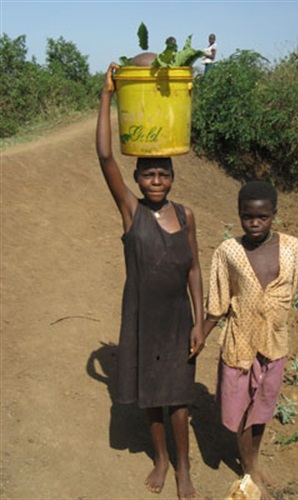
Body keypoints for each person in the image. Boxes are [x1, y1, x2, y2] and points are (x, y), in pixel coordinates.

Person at [96, 62, 205, 500]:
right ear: (138, 179)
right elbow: (106, 156)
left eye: (163, 174)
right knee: (150, 397)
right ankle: (159, 458)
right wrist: (108, 95)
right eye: (147, 175)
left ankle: (182, 468)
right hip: (141, 317)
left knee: (178, 399)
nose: (155, 180)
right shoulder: (131, 211)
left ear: (173, 178)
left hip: (178, 319)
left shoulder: (186, 216)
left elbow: (194, 268)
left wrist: (199, 321)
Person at [203, 181, 298, 499]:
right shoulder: (228, 252)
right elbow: (218, 302)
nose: (255, 223)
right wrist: (200, 336)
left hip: (274, 345)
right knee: (240, 408)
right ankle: (248, 467)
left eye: (262, 217)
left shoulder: (293, 249)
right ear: (239, 215)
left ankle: (253, 461)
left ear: (274, 214)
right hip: (240, 344)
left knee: (261, 409)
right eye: (247, 217)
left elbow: (291, 289)